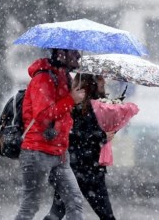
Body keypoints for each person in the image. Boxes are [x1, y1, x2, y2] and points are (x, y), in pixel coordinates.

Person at [15, 49, 86, 220]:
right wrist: (71, 100)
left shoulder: (64, 77)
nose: (79, 56)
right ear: (61, 53)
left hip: (60, 152)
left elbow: (64, 113)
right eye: (74, 52)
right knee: (30, 206)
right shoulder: (44, 78)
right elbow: (43, 115)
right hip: (37, 151)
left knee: (75, 203)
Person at [44, 73, 116, 220]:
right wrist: (102, 135)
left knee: (57, 212)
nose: (104, 83)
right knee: (106, 215)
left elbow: (78, 133)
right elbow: (77, 134)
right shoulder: (86, 107)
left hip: (74, 166)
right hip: (87, 170)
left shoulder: (92, 105)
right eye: (101, 81)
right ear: (93, 84)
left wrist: (108, 131)